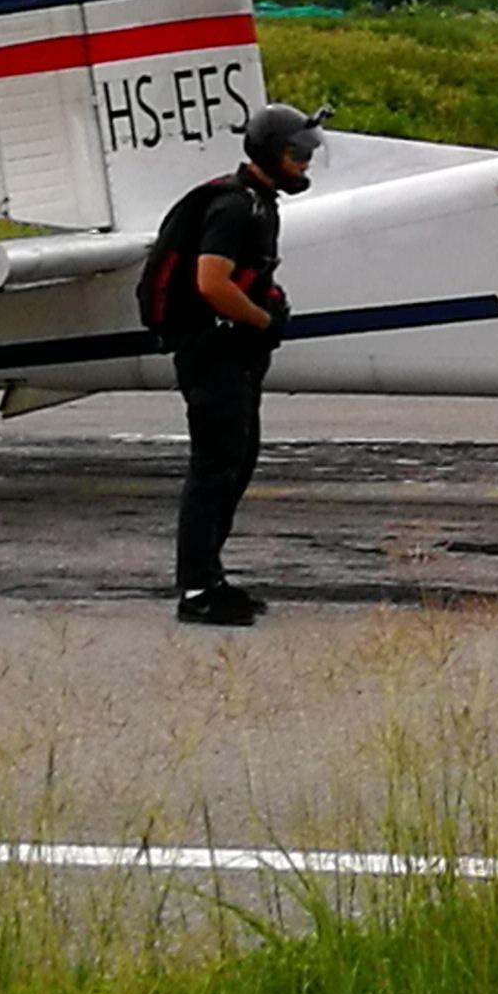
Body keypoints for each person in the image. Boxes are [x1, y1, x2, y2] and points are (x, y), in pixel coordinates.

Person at [153, 102, 322, 629]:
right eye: (298, 155)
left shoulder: (260, 204)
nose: (305, 164)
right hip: (214, 355)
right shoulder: (236, 207)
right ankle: (197, 591)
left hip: (235, 357)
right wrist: (260, 320)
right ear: (272, 154)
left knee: (237, 463)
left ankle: (212, 577)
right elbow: (210, 282)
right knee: (214, 469)